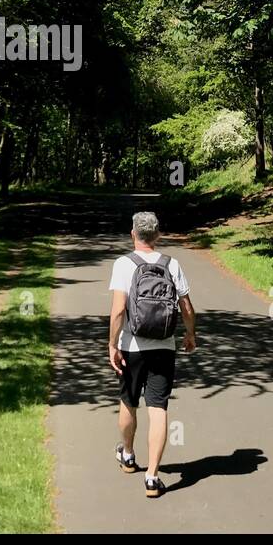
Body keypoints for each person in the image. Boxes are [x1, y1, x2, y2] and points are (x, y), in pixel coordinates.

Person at [108, 210, 195, 498]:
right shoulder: (172, 264)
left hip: (132, 346)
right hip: (164, 346)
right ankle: (152, 477)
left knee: (128, 401)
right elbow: (186, 307)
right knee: (158, 408)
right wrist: (190, 333)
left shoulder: (124, 264)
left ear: (133, 234)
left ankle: (128, 455)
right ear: (157, 236)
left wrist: (112, 344)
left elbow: (119, 309)